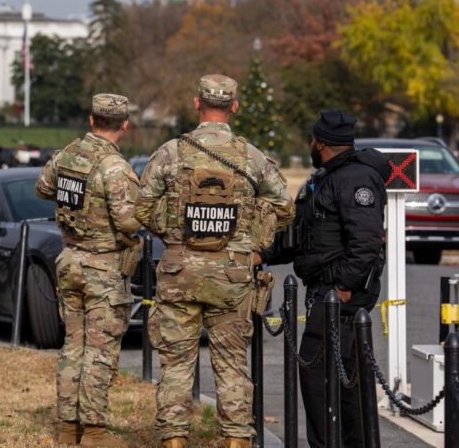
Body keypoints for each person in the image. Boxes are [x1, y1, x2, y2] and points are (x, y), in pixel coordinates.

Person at [136, 74, 295, 448]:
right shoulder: (251, 157)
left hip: (179, 273)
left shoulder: (171, 153)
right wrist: (253, 244)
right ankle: (236, 441)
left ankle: (174, 439)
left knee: (176, 364)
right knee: (231, 364)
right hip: (233, 276)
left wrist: (174, 234)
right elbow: (285, 207)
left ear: (197, 104)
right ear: (234, 107)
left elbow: (142, 206)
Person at [261, 109, 390, 447]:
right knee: (346, 380)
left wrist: (343, 288)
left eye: (311, 140)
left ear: (320, 142)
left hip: (339, 296)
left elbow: (366, 243)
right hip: (326, 292)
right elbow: (303, 236)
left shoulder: (355, 179)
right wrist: (263, 254)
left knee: (317, 374)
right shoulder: (326, 177)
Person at [36, 93, 141, 448]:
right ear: (124, 125)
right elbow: (128, 222)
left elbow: (43, 187)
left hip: (70, 262)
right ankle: (94, 432)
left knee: (73, 347)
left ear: (91, 119)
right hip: (103, 269)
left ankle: (67, 428)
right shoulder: (114, 167)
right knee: (99, 350)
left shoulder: (68, 155)